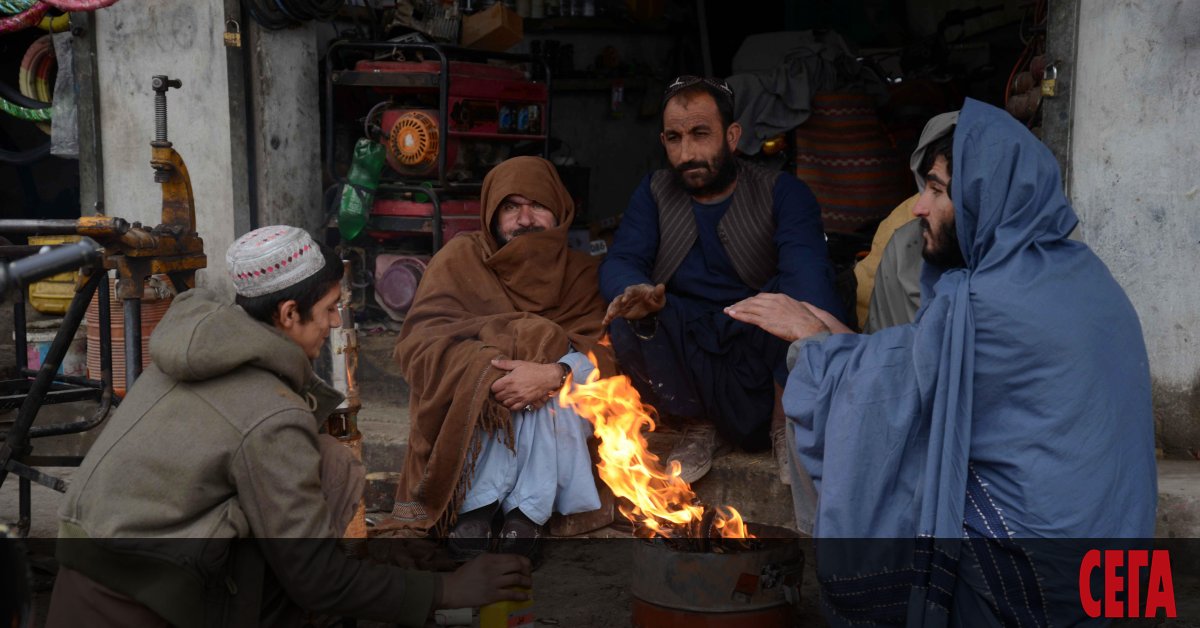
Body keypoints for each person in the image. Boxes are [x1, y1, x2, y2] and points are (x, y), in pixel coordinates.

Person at [727, 99, 1157, 625]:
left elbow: (890, 393)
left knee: (897, 468)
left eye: (934, 189)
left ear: (982, 195)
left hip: (1046, 587)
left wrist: (813, 344)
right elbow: (914, 360)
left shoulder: (987, 304)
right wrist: (832, 341)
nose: (918, 208)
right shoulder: (1082, 275)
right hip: (1122, 576)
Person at [47, 226, 532, 628]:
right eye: (327, 310)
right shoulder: (270, 414)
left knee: (321, 464)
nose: (333, 322)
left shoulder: (192, 353)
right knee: (324, 480)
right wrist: (446, 590)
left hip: (83, 588)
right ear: (288, 314)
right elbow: (318, 579)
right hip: (136, 609)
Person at [599, 75, 844, 484]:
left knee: (807, 301)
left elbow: (807, 276)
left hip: (759, 342)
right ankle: (699, 424)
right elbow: (622, 259)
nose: (687, 152)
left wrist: (787, 311)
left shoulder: (782, 192)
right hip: (689, 343)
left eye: (700, 134)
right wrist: (635, 291)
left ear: (732, 136)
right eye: (674, 138)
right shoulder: (654, 192)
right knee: (631, 318)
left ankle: (785, 424)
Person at [388, 156, 614, 558]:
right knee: (498, 374)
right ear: (492, 215)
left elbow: (604, 357)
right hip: (480, 398)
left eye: (537, 205)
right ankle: (482, 506)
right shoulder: (460, 260)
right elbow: (419, 344)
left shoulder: (583, 275)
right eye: (511, 207)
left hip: (559, 405)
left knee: (555, 389)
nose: (525, 219)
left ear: (560, 211)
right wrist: (487, 370)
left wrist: (553, 373)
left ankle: (523, 517)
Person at [856, 111, 960, 333]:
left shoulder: (1025, 286)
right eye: (925, 186)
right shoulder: (906, 244)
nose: (918, 208)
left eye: (936, 190)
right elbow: (876, 353)